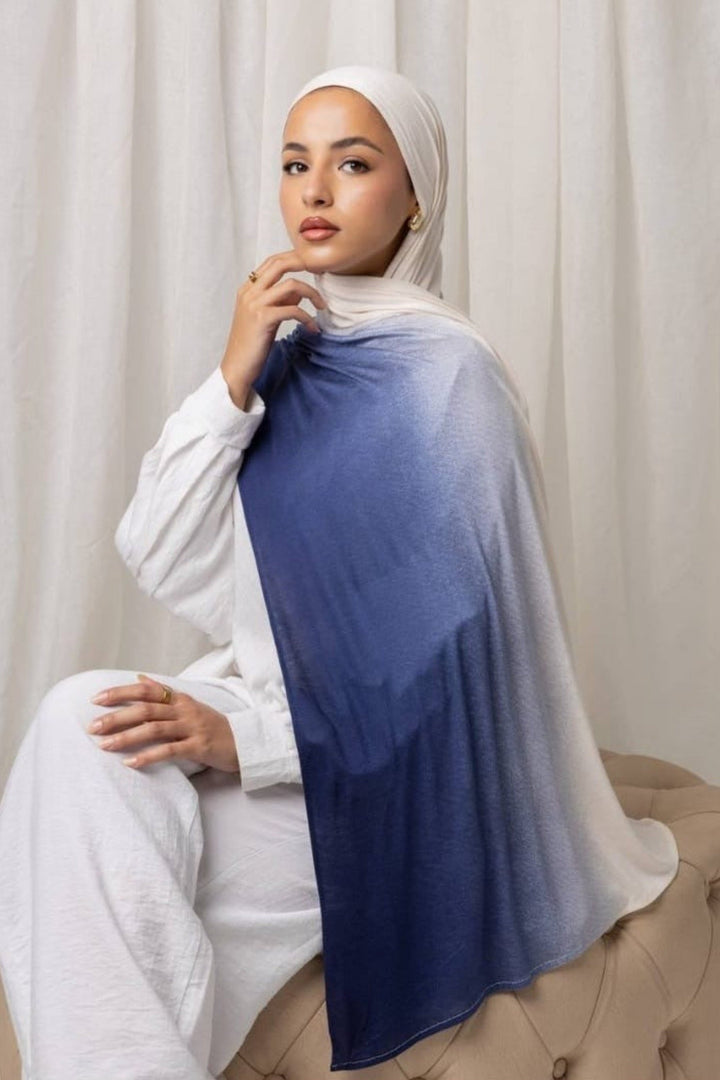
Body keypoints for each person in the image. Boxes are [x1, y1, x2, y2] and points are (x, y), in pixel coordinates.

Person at [0, 64, 680, 1079]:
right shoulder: (292, 347)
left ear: (415, 199)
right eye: (294, 164)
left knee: (93, 895)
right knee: (73, 719)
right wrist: (234, 375)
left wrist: (252, 738)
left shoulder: (448, 379)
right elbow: (159, 545)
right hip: (291, 758)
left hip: (402, 788)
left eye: (353, 164)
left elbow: (452, 659)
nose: (314, 192)